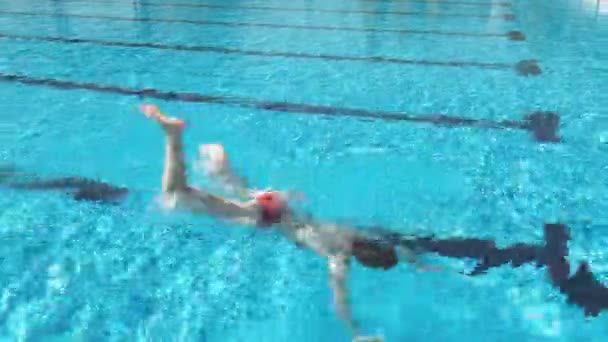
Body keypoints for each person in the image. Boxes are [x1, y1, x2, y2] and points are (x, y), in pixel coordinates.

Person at [140, 103, 429, 341]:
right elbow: (341, 300)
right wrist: (354, 333)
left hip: (279, 204)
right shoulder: (338, 256)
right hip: (268, 216)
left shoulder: (353, 233)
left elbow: (398, 245)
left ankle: (219, 165)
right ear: (364, 261)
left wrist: (419, 260)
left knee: (234, 189)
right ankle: (173, 135)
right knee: (176, 195)